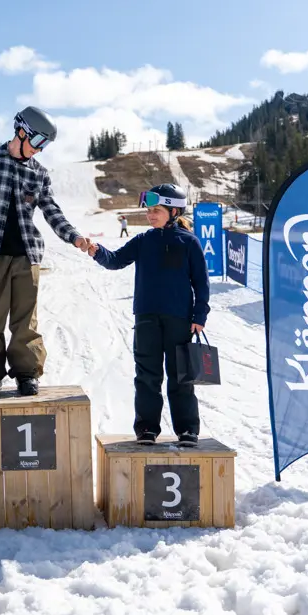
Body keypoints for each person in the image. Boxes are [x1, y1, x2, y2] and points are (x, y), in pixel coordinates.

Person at [0, 105, 91, 397]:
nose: (40, 151)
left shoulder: (39, 173)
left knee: (25, 319)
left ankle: (26, 372)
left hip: (26, 255)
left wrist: (74, 237)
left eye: (45, 145)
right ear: (21, 131)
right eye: (38, 142)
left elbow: (51, 210)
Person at [86, 184, 210, 447]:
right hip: (146, 319)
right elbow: (116, 260)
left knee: (181, 377)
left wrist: (200, 315)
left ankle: (187, 429)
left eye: (156, 210)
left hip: (181, 321)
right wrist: (97, 251)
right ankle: (147, 429)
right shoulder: (143, 241)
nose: (150, 215)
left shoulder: (189, 242)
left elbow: (201, 282)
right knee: (147, 376)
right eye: (149, 211)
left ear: (174, 211)